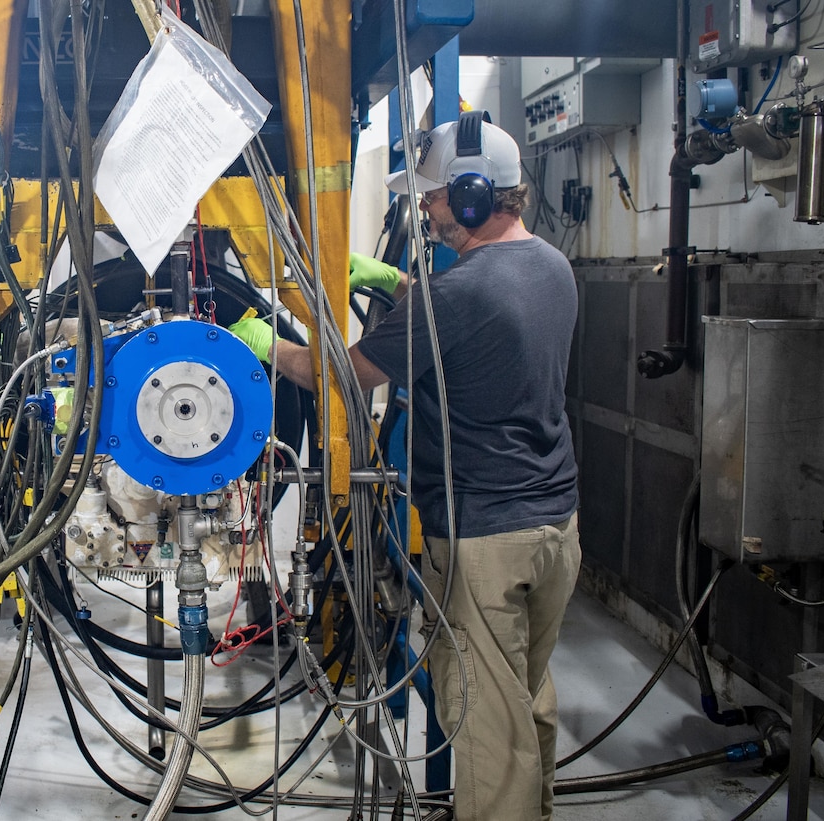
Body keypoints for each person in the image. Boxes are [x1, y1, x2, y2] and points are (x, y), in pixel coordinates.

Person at [230, 114, 581, 821]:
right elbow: (479, 328)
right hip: (555, 524)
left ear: (477, 195)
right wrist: (394, 282)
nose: (423, 207)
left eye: (436, 196)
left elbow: (344, 373)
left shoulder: (453, 296)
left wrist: (267, 343)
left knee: (485, 722)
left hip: (485, 534)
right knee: (525, 697)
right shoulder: (552, 265)